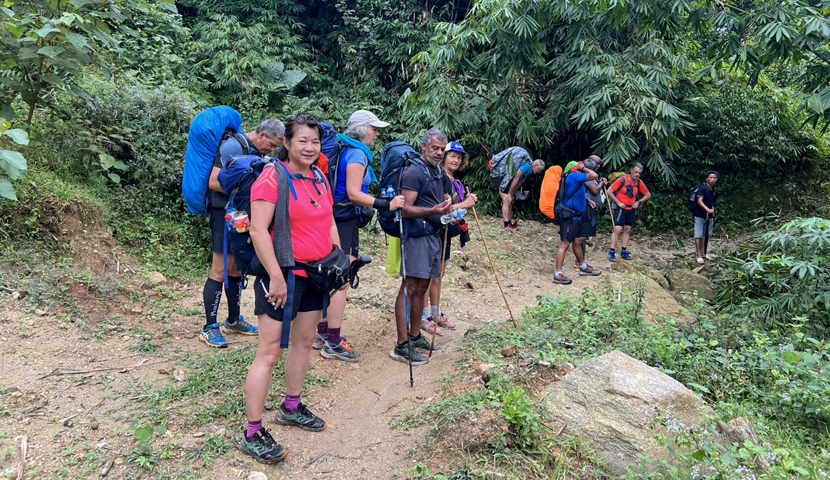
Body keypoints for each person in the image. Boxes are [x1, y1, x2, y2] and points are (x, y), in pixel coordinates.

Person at [239, 113, 336, 464]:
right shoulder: (272, 177)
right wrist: (276, 277)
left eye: (315, 141)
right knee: (268, 352)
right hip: (281, 276)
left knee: (305, 341)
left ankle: (291, 406)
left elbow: (327, 221)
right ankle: (252, 431)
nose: (310, 147)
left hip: (315, 275)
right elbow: (257, 230)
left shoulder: (320, 176)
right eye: (303, 141)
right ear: (287, 143)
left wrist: (339, 259)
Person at [317, 110, 405, 362]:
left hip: (329, 217)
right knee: (342, 278)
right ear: (360, 129)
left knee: (328, 274)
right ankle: (333, 341)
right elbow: (354, 193)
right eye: (373, 128)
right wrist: (386, 204)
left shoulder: (343, 147)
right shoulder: (356, 153)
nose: (377, 133)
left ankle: (322, 333)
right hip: (344, 220)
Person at [201, 118, 286, 348]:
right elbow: (213, 182)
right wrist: (249, 181)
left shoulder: (258, 153)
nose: (273, 150)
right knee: (219, 270)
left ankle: (234, 320)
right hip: (223, 213)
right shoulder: (233, 146)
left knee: (236, 267)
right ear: (261, 134)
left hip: (243, 214)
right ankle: (209, 327)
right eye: (272, 144)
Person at [390, 129, 452, 365]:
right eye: (435, 148)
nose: (439, 153)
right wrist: (433, 211)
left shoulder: (435, 171)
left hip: (433, 236)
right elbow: (405, 208)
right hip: (416, 236)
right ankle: (402, 344)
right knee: (410, 286)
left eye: (442, 149)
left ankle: (415, 336)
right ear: (424, 146)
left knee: (422, 286)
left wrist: (447, 208)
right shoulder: (415, 171)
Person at [421, 141, 478, 334]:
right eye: (452, 155)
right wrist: (465, 205)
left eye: (459, 157)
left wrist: (464, 205)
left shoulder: (453, 180)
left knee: (438, 275)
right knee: (428, 277)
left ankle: (435, 313)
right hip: (433, 230)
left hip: (446, 230)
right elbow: (443, 207)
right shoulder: (437, 176)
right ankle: (425, 315)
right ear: (444, 156)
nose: (456, 159)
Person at [553, 162, 601, 285]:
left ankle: (583, 266)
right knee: (565, 243)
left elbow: (574, 193)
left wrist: (587, 200)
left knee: (578, 240)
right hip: (570, 216)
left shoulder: (574, 177)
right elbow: (594, 175)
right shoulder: (574, 175)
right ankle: (558, 274)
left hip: (577, 216)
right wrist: (583, 168)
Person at [489, 147, 545, 231]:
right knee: (506, 200)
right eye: (539, 169)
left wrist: (512, 194)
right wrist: (509, 194)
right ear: (535, 165)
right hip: (499, 176)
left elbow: (520, 182)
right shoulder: (526, 166)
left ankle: (509, 223)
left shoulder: (529, 171)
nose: (539, 172)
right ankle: (506, 224)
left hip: (506, 180)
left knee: (511, 200)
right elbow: (516, 178)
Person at [607, 163, 651, 261]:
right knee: (617, 229)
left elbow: (648, 194)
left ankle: (623, 251)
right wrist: (618, 202)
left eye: (639, 173)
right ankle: (612, 251)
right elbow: (609, 191)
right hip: (620, 208)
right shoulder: (622, 180)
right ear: (631, 171)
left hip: (631, 209)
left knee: (627, 229)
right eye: (635, 172)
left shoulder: (639, 182)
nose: (637, 175)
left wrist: (638, 202)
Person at [575, 156, 607, 270]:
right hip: (587, 209)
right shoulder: (588, 176)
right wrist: (602, 183)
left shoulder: (592, 176)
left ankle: (581, 261)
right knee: (582, 236)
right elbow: (594, 190)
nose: (599, 166)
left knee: (584, 236)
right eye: (598, 164)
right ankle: (580, 262)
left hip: (591, 208)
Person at [693, 171, 718, 264]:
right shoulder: (702, 188)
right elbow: (699, 201)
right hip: (699, 215)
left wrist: (712, 210)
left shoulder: (714, 190)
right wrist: (707, 209)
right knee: (698, 235)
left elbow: (713, 202)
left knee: (706, 235)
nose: (712, 179)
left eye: (714, 178)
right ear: (707, 179)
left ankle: (704, 253)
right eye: (711, 177)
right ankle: (698, 255)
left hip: (709, 216)